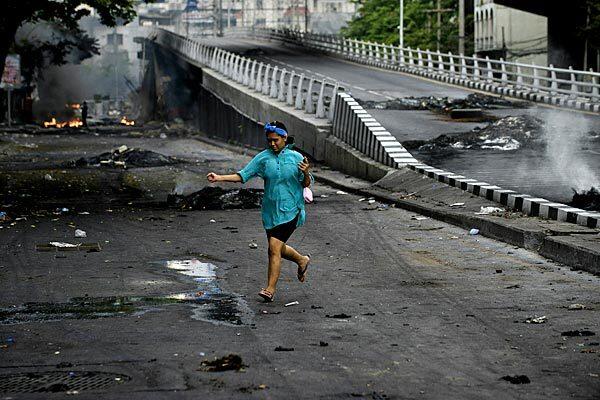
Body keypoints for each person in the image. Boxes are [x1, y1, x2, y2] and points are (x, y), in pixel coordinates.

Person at [206, 121, 312, 302]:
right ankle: (302, 260)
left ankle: (270, 289)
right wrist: (219, 177)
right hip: (270, 212)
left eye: (276, 140)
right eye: (269, 140)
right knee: (277, 248)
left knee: (273, 248)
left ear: (284, 138)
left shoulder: (296, 157)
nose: (272, 144)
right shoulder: (263, 158)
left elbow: (306, 184)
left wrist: (306, 172)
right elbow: (243, 175)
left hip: (291, 209)